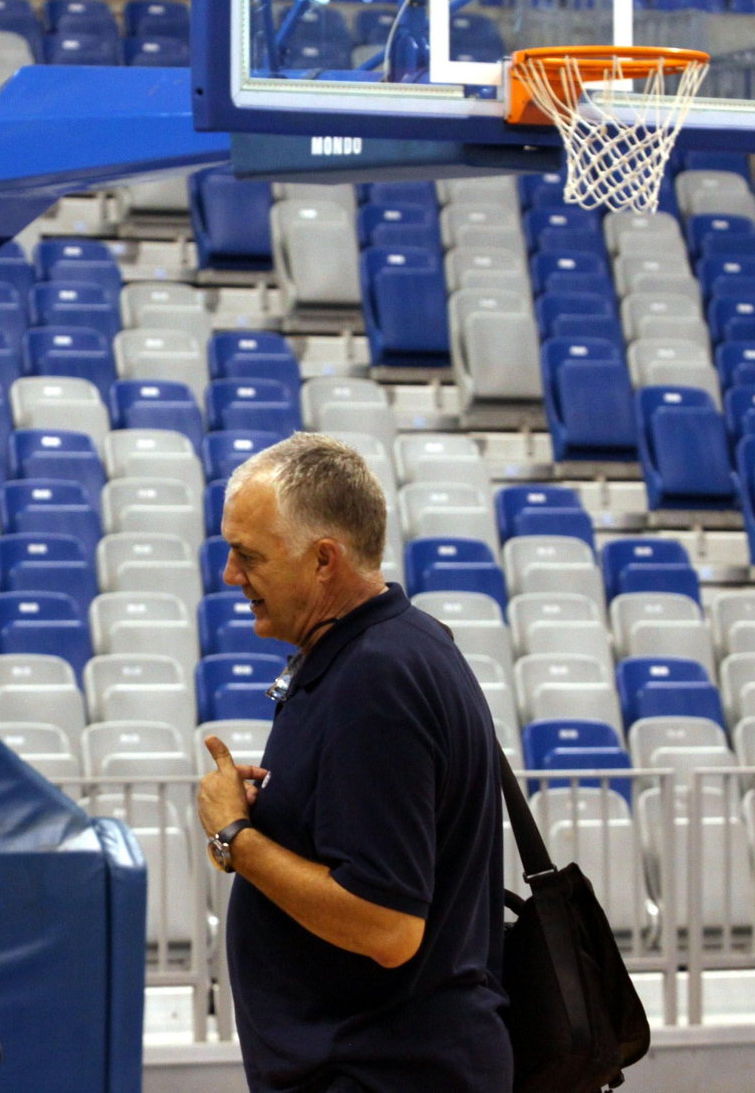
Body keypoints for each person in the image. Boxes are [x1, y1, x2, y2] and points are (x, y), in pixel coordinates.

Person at [196, 433, 511, 1093]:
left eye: (247, 555)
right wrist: (283, 815)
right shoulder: (390, 647)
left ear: (323, 561)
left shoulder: (376, 677)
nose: (230, 576)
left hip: (385, 1074)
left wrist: (237, 839)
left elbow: (387, 926)